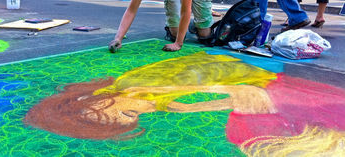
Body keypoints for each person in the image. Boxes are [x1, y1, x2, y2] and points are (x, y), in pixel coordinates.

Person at [23, 52, 277, 140]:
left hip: (229, 66)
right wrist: (228, 101)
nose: (147, 110)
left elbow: (200, 82)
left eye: (128, 111)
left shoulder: (134, 83)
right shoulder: (154, 100)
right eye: (133, 117)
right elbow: (185, 106)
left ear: (90, 100)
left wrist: (233, 94)